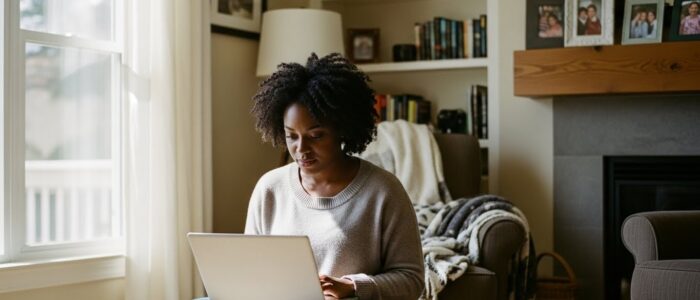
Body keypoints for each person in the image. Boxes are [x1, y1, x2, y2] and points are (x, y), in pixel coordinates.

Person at [246, 53, 425, 300]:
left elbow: (412, 280)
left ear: (342, 129)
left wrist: (353, 287)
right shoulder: (269, 188)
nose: (301, 148)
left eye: (316, 135)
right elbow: (250, 271)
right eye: (291, 136)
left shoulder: (383, 190)